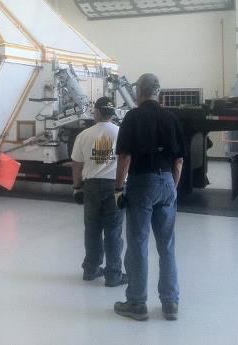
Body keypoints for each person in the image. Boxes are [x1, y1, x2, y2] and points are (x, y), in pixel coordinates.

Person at [113, 73, 185, 321]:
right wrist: (172, 188)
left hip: (141, 183)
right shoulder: (171, 118)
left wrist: (118, 189)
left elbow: (125, 157)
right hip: (167, 181)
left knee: (138, 244)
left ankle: (136, 303)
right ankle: (170, 303)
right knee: (167, 246)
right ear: (158, 92)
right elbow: (179, 160)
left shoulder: (133, 117)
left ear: (139, 92)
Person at [69, 97, 127, 287]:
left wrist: (77, 187)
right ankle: (113, 275)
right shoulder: (120, 133)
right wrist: (122, 187)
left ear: (96, 112)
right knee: (113, 231)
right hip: (115, 186)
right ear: (112, 113)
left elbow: (76, 163)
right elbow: (126, 159)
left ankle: (91, 269)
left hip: (91, 186)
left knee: (92, 229)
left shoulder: (84, 135)